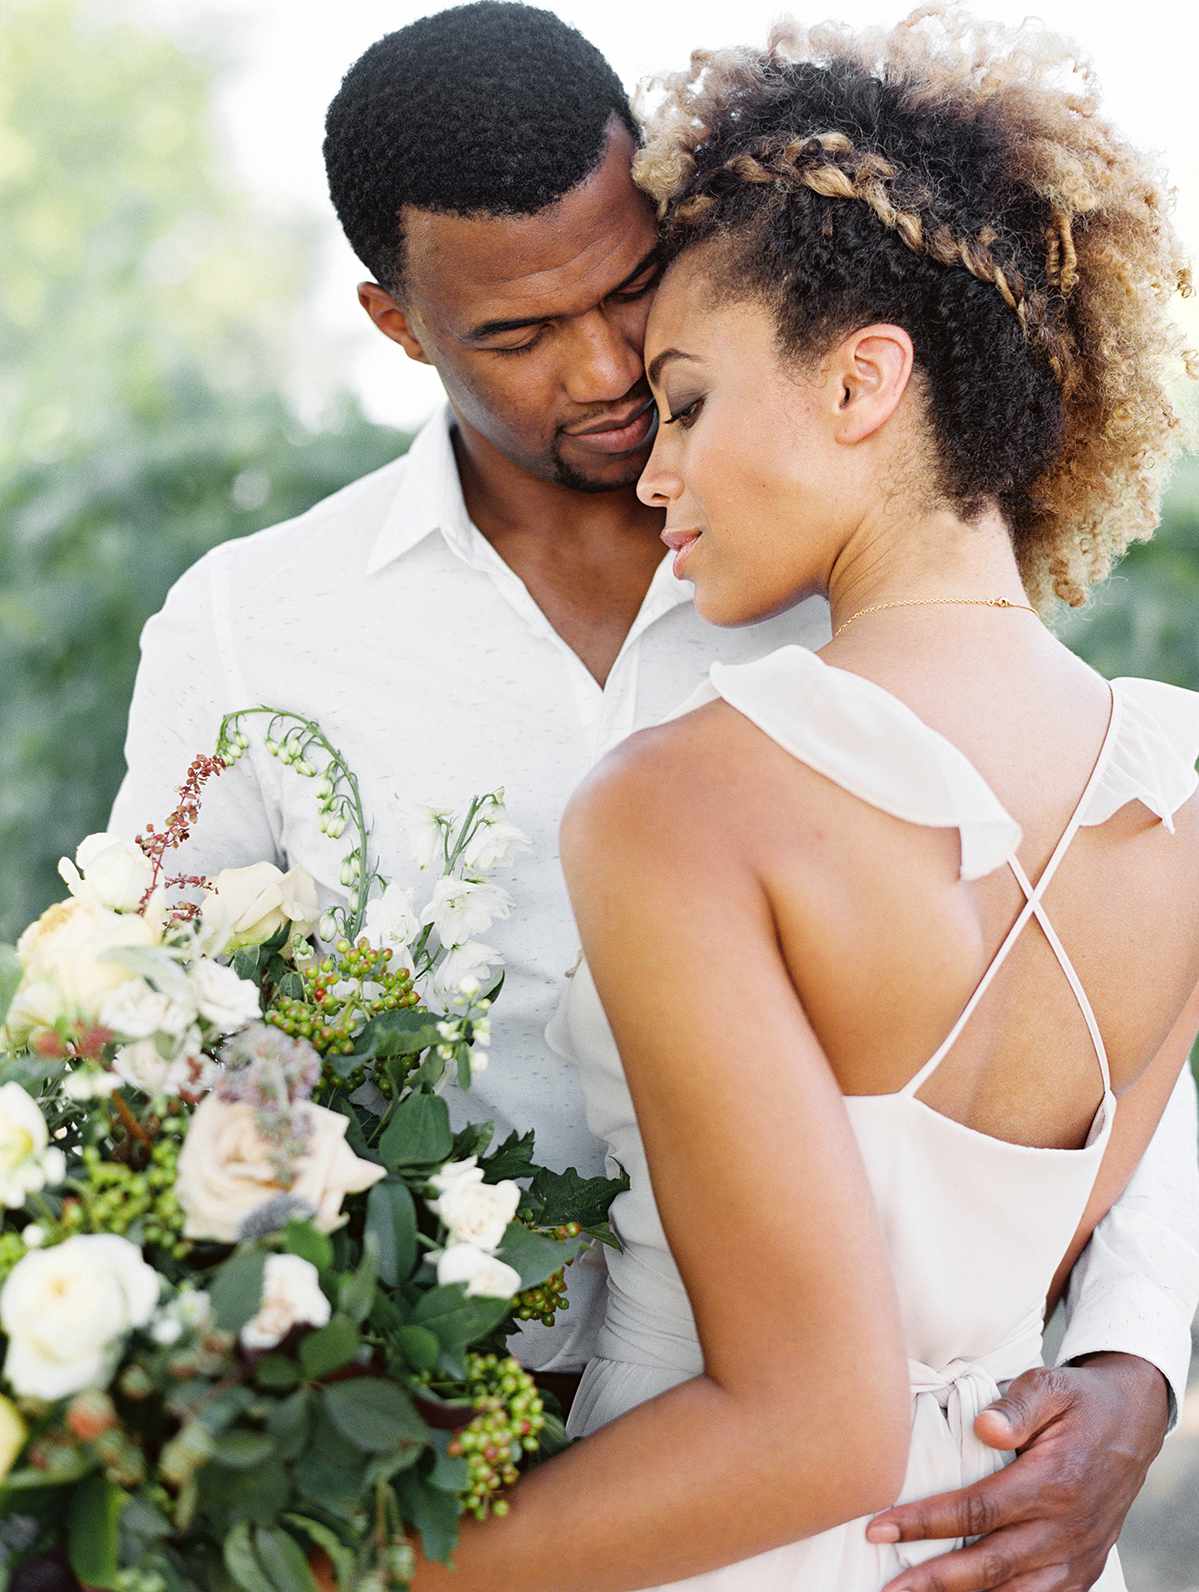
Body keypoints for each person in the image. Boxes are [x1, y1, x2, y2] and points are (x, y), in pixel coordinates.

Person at [107, 6, 1199, 1588]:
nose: (610, 370)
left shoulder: (863, 554)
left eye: (632, 295)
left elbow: (1094, 989)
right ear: (398, 325)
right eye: (518, 335)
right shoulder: (251, 627)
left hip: (803, 1485)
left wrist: (1137, 1364)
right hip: (456, 1460)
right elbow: (156, 1050)